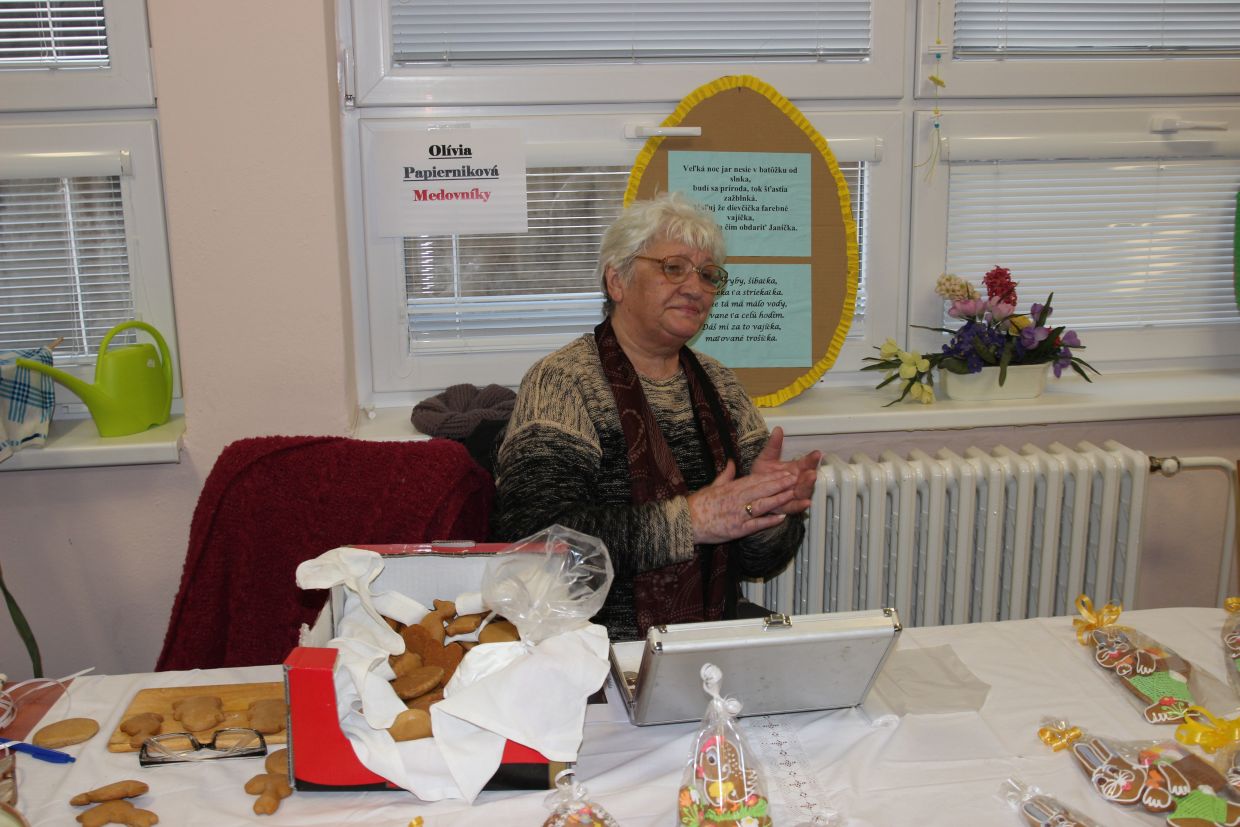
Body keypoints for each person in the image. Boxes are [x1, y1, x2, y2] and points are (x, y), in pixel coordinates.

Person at [493, 191, 821, 641]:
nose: (695, 288)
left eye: (708, 274)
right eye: (673, 267)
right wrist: (690, 523)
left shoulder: (721, 386)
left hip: (709, 636)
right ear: (617, 281)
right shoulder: (562, 381)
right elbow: (535, 538)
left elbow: (759, 561)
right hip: (590, 646)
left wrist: (771, 510)